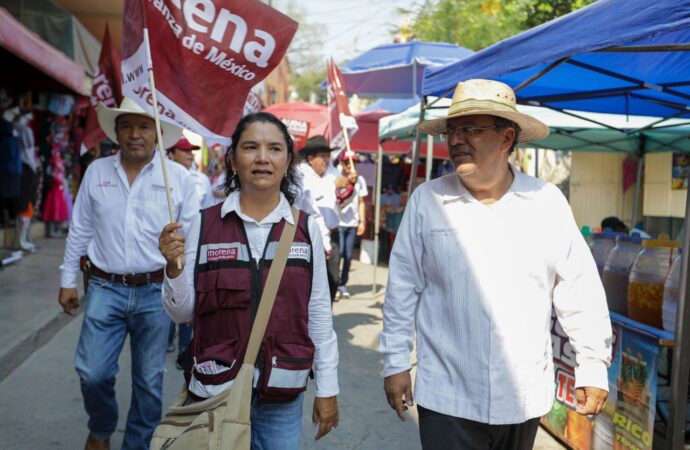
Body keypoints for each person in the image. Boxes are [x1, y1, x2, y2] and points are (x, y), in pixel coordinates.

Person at [380, 79, 612, 450]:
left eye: (471, 129)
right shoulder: (428, 201)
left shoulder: (546, 202)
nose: (456, 140)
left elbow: (579, 289)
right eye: (452, 131)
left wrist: (593, 365)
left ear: (506, 138)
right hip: (446, 393)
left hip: (522, 394)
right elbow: (402, 290)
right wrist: (395, 363)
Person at [158, 112, 339, 448]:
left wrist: (328, 388)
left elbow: (317, 313)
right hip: (214, 390)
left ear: (288, 161)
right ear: (232, 159)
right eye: (250, 147)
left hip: (282, 390)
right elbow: (182, 313)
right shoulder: (204, 224)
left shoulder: (305, 229)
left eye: (274, 149)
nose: (262, 158)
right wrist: (173, 267)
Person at [57, 97, 199, 450]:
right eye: (127, 126)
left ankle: (136, 445)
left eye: (144, 126)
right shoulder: (97, 172)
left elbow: (192, 244)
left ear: (158, 133)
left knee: (149, 381)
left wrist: (186, 295)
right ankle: (101, 428)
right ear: (116, 132)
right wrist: (66, 280)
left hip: (156, 290)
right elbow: (80, 229)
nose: (135, 134)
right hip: (106, 287)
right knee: (93, 372)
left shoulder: (178, 179)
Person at [297, 136, 343, 302]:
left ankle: (326, 320)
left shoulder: (332, 172)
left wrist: (348, 185)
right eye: (322, 156)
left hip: (332, 232)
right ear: (311, 158)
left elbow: (344, 194)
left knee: (333, 279)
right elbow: (313, 208)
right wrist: (334, 186)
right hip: (309, 236)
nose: (325, 160)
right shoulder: (302, 175)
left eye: (327, 156)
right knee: (311, 282)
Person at [336, 150, 368, 299]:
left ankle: (343, 283)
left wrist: (362, 221)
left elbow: (362, 202)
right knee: (338, 254)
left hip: (353, 223)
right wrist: (349, 183)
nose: (350, 165)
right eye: (347, 162)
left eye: (353, 162)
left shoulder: (360, 180)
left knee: (348, 256)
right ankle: (334, 283)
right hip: (338, 222)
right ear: (342, 163)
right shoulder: (337, 178)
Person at [167, 137, 213, 209]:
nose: (190, 154)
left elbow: (209, 210)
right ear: (171, 155)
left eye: (191, 151)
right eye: (185, 150)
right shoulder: (162, 178)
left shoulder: (202, 179)